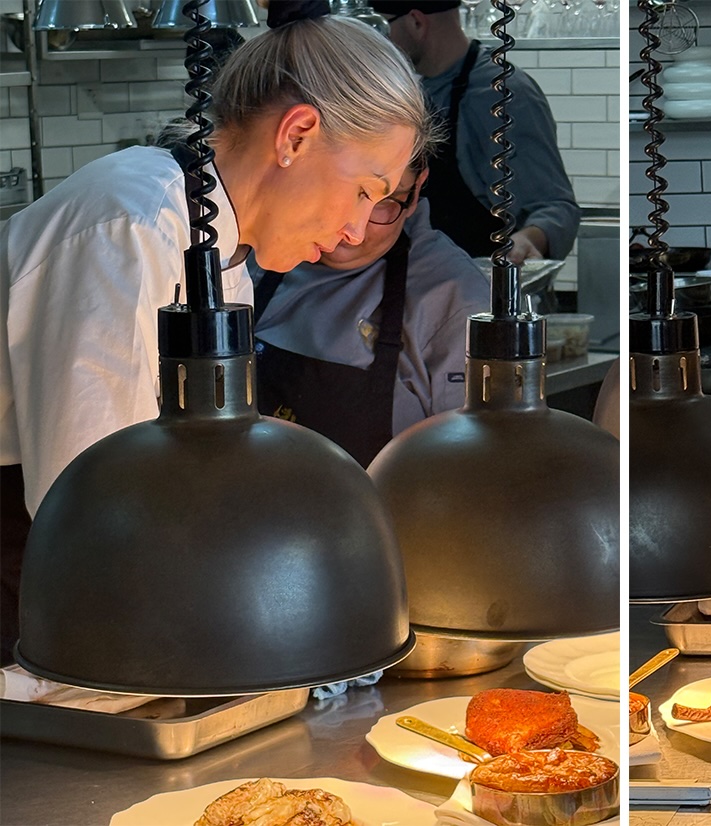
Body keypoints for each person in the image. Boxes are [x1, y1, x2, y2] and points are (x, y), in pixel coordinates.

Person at [0, 12, 431, 663]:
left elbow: (194, 479)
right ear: (297, 134)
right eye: (366, 190)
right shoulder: (131, 224)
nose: (355, 229)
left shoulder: (226, 253)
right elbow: (87, 505)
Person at [247, 153, 491, 466]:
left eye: (382, 201)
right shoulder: (259, 257)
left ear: (416, 190)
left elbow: (474, 467)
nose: (353, 227)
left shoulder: (454, 301)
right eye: (335, 191)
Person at [371, 0, 579, 263]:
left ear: (416, 22)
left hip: (481, 286)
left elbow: (556, 208)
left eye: (382, 28)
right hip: (413, 281)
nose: (381, 42)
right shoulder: (405, 92)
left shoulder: (503, 94)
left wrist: (529, 238)